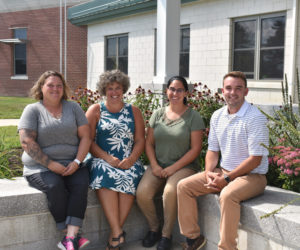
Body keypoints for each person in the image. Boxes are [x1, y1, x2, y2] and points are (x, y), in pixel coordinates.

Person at [177, 71, 269, 250]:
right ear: (222, 90)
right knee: (183, 186)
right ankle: (193, 238)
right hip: (224, 172)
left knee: (227, 195)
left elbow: (256, 159)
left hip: (252, 177)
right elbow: (212, 150)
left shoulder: (255, 118)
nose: (232, 92)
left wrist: (227, 179)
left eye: (238, 88)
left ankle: (226, 248)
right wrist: (210, 172)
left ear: (246, 91)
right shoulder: (217, 116)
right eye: (228, 88)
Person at [18, 70, 91, 250]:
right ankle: (71, 236)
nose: (55, 89)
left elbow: (86, 137)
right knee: (55, 186)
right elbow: (27, 141)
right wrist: (51, 164)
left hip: (72, 163)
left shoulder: (73, 108)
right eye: (50, 85)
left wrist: (77, 162)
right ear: (41, 87)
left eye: (59, 85)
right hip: (40, 166)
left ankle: (70, 238)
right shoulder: (33, 110)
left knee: (81, 183)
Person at [136, 76, 205, 250]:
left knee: (169, 191)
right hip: (158, 165)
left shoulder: (193, 116)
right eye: (172, 89)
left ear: (186, 93)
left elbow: (195, 149)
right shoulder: (158, 114)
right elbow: (149, 143)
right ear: (167, 91)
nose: (175, 93)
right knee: (142, 193)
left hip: (184, 167)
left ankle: (166, 235)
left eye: (179, 90)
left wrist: (173, 168)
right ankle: (154, 229)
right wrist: (155, 165)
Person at [85, 70, 145, 250]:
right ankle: (118, 232)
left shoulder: (133, 111)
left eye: (117, 88)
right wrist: (107, 157)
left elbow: (140, 140)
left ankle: (115, 235)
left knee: (129, 175)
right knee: (104, 172)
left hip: (128, 158)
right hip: (102, 158)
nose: (114, 92)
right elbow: (88, 141)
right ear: (104, 90)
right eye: (109, 88)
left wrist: (132, 158)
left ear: (123, 89)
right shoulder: (95, 110)